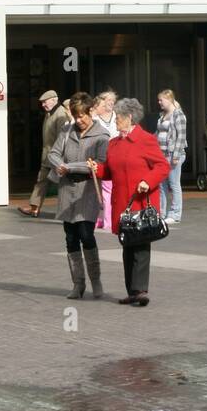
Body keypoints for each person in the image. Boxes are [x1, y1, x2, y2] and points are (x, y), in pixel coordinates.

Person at [86, 97, 169, 307]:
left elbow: (162, 167)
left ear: (129, 118)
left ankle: (140, 290)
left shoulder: (146, 140)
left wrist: (146, 181)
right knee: (128, 245)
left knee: (141, 244)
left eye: (119, 117)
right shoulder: (114, 144)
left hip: (142, 201)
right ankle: (132, 291)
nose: (115, 121)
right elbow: (110, 172)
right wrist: (97, 169)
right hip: (122, 203)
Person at [48, 92, 109, 299]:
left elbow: (100, 164)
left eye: (83, 115)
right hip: (67, 192)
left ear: (91, 111)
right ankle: (78, 283)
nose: (79, 120)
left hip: (87, 192)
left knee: (86, 235)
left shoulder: (102, 136)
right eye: (76, 116)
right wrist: (59, 165)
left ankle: (96, 281)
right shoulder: (66, 130)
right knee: (70, 238)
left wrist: (69, 167)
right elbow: (53, 153)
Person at [21, 89, 68, 218]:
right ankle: (34, 207)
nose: (43, 105)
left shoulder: (61, 114)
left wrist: (59, 158)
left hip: (57, 157)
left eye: (45, 102)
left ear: (54, 99)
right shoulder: (49, 113)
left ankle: (66, 210)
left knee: (63, 184)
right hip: (48, 155)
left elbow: (62, 138)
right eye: (42, 103)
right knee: (41, 181)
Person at [156, 90, 187, 224]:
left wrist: (176, 155)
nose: (159, 102)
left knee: (174, 184)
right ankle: (161, 213)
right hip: (161, 155)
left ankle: (175, 214)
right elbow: (157, 132)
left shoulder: (178, 115)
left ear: (169, 99)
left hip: (172, 154)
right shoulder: (162, 115)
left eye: (161, 100)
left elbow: (181, 135)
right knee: (161, 185)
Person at [91, 89, 117, 231]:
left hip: (115, 156)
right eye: (107, 101)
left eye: (113, 101)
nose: (110, 103)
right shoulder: (95, 118)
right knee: (98, 190)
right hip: (100, 156)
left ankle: (107, 219)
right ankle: (101, 218)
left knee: (109, 189)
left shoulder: (117, 116)